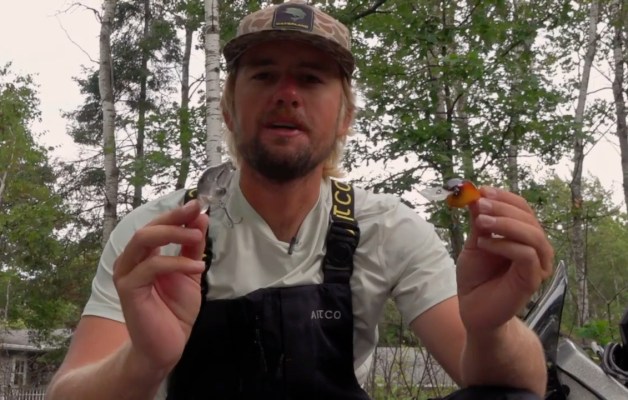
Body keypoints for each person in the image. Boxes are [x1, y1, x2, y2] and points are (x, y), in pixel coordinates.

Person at [47, 1, 554, 399]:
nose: (287, 93)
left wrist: (490, 328)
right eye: (264, 74)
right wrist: (145, 360)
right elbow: (66, 393)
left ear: (345, 117)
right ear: (228, 109)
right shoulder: (161, 234)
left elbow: (520, 388)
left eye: (311, 78)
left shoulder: (388, 228)